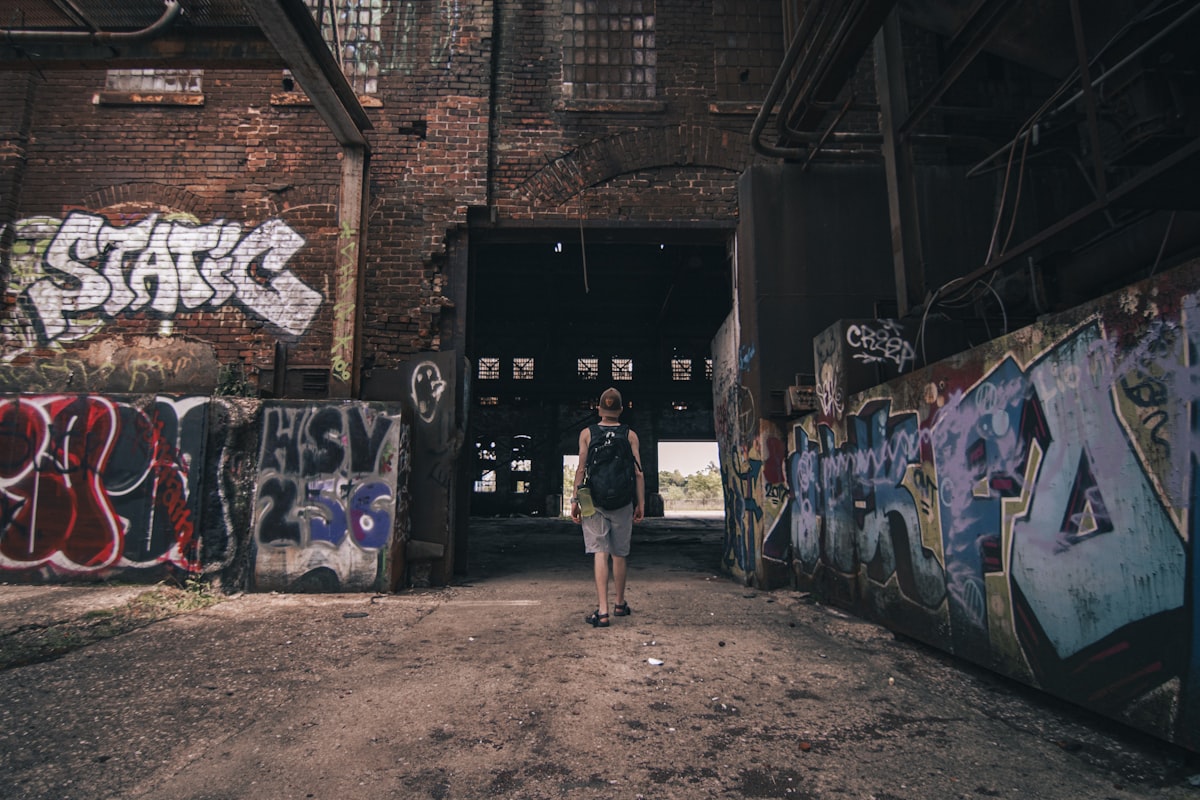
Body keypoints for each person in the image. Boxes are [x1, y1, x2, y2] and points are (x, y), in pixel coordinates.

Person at [570, 387, 644, 628]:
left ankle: (602, 612)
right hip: (623, 501)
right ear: (621, 410)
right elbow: (638, 473)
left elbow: (581, 469)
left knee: (600, 552)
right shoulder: (630, 435)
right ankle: (619, 604)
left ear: (599, 409)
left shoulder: (587, 433)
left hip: (594, 501)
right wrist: (641, 503)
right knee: (619, 554)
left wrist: (575, 500)